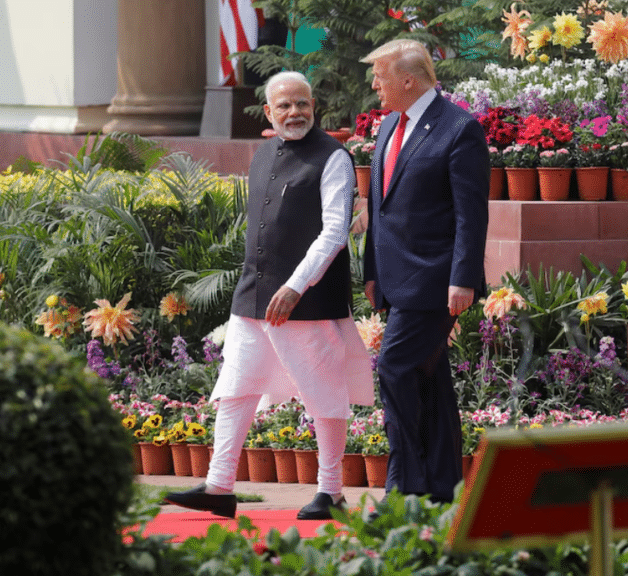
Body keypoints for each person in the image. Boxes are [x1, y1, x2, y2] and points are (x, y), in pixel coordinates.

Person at [162, 71, 375, 520]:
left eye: (302, 104)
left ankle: (332, 491)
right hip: (253, 297)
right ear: (268, 112)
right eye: (285, 106)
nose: (295, 113)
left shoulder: (332, 157)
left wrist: (297, 284)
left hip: (309, 299)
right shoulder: (262, 154)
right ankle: (219, 486)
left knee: (323, 394)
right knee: (235, 389)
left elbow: (335, 230)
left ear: (314, 105)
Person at [361, 39, 490, 503]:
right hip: (396, 281)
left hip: (437, 282)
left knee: (395, 368)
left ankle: (404, 487)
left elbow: (469, 214)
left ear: (408, 80)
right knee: (428, 379)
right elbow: (380, 205)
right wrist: (371, 270)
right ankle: (442, 488)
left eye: (380, 75)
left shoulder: (459, 128)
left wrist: (463, 277)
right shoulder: (388, 125)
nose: (375, 84)